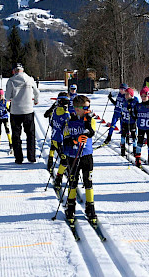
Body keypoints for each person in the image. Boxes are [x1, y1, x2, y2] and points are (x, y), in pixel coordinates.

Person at [63, 95, 97, 225]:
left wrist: (85, 133)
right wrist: (74, 140)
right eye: (85, 107)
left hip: (86, 155)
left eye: (88, 107)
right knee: (73, 182)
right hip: (73, 155)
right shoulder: (69, 120)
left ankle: (90, 208)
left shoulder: (89, 118)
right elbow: (65, 139)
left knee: (88, 181)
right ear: (77, 108)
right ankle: (71, 208)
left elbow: (91, 131)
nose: (88, 109)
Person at [5, 64, 39, 164]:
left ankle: (19, 158)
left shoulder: (11, 81)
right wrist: (36, 100)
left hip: (15, 111)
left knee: (16, 135)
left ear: (14, 71)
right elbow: (37, 92)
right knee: (30, 134)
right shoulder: (29, 79)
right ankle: (31, 157)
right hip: (28, 110)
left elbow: (7, 97)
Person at [43, 92, 70, 190]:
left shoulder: (55, 111)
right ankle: (59, 178)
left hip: (55, 138)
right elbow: (68, 128)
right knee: (65, 160)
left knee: (58, 152)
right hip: (61, 140)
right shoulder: (66, 114)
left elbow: (51, 123)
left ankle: (51, 161)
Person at [133, 86, 149, 168]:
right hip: (141, 127)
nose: (143, 98)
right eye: (142, 96)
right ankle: (137, 158)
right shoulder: (138, 105)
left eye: (145, 96)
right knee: (139, 143)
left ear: (148, 96)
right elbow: (134, 115)